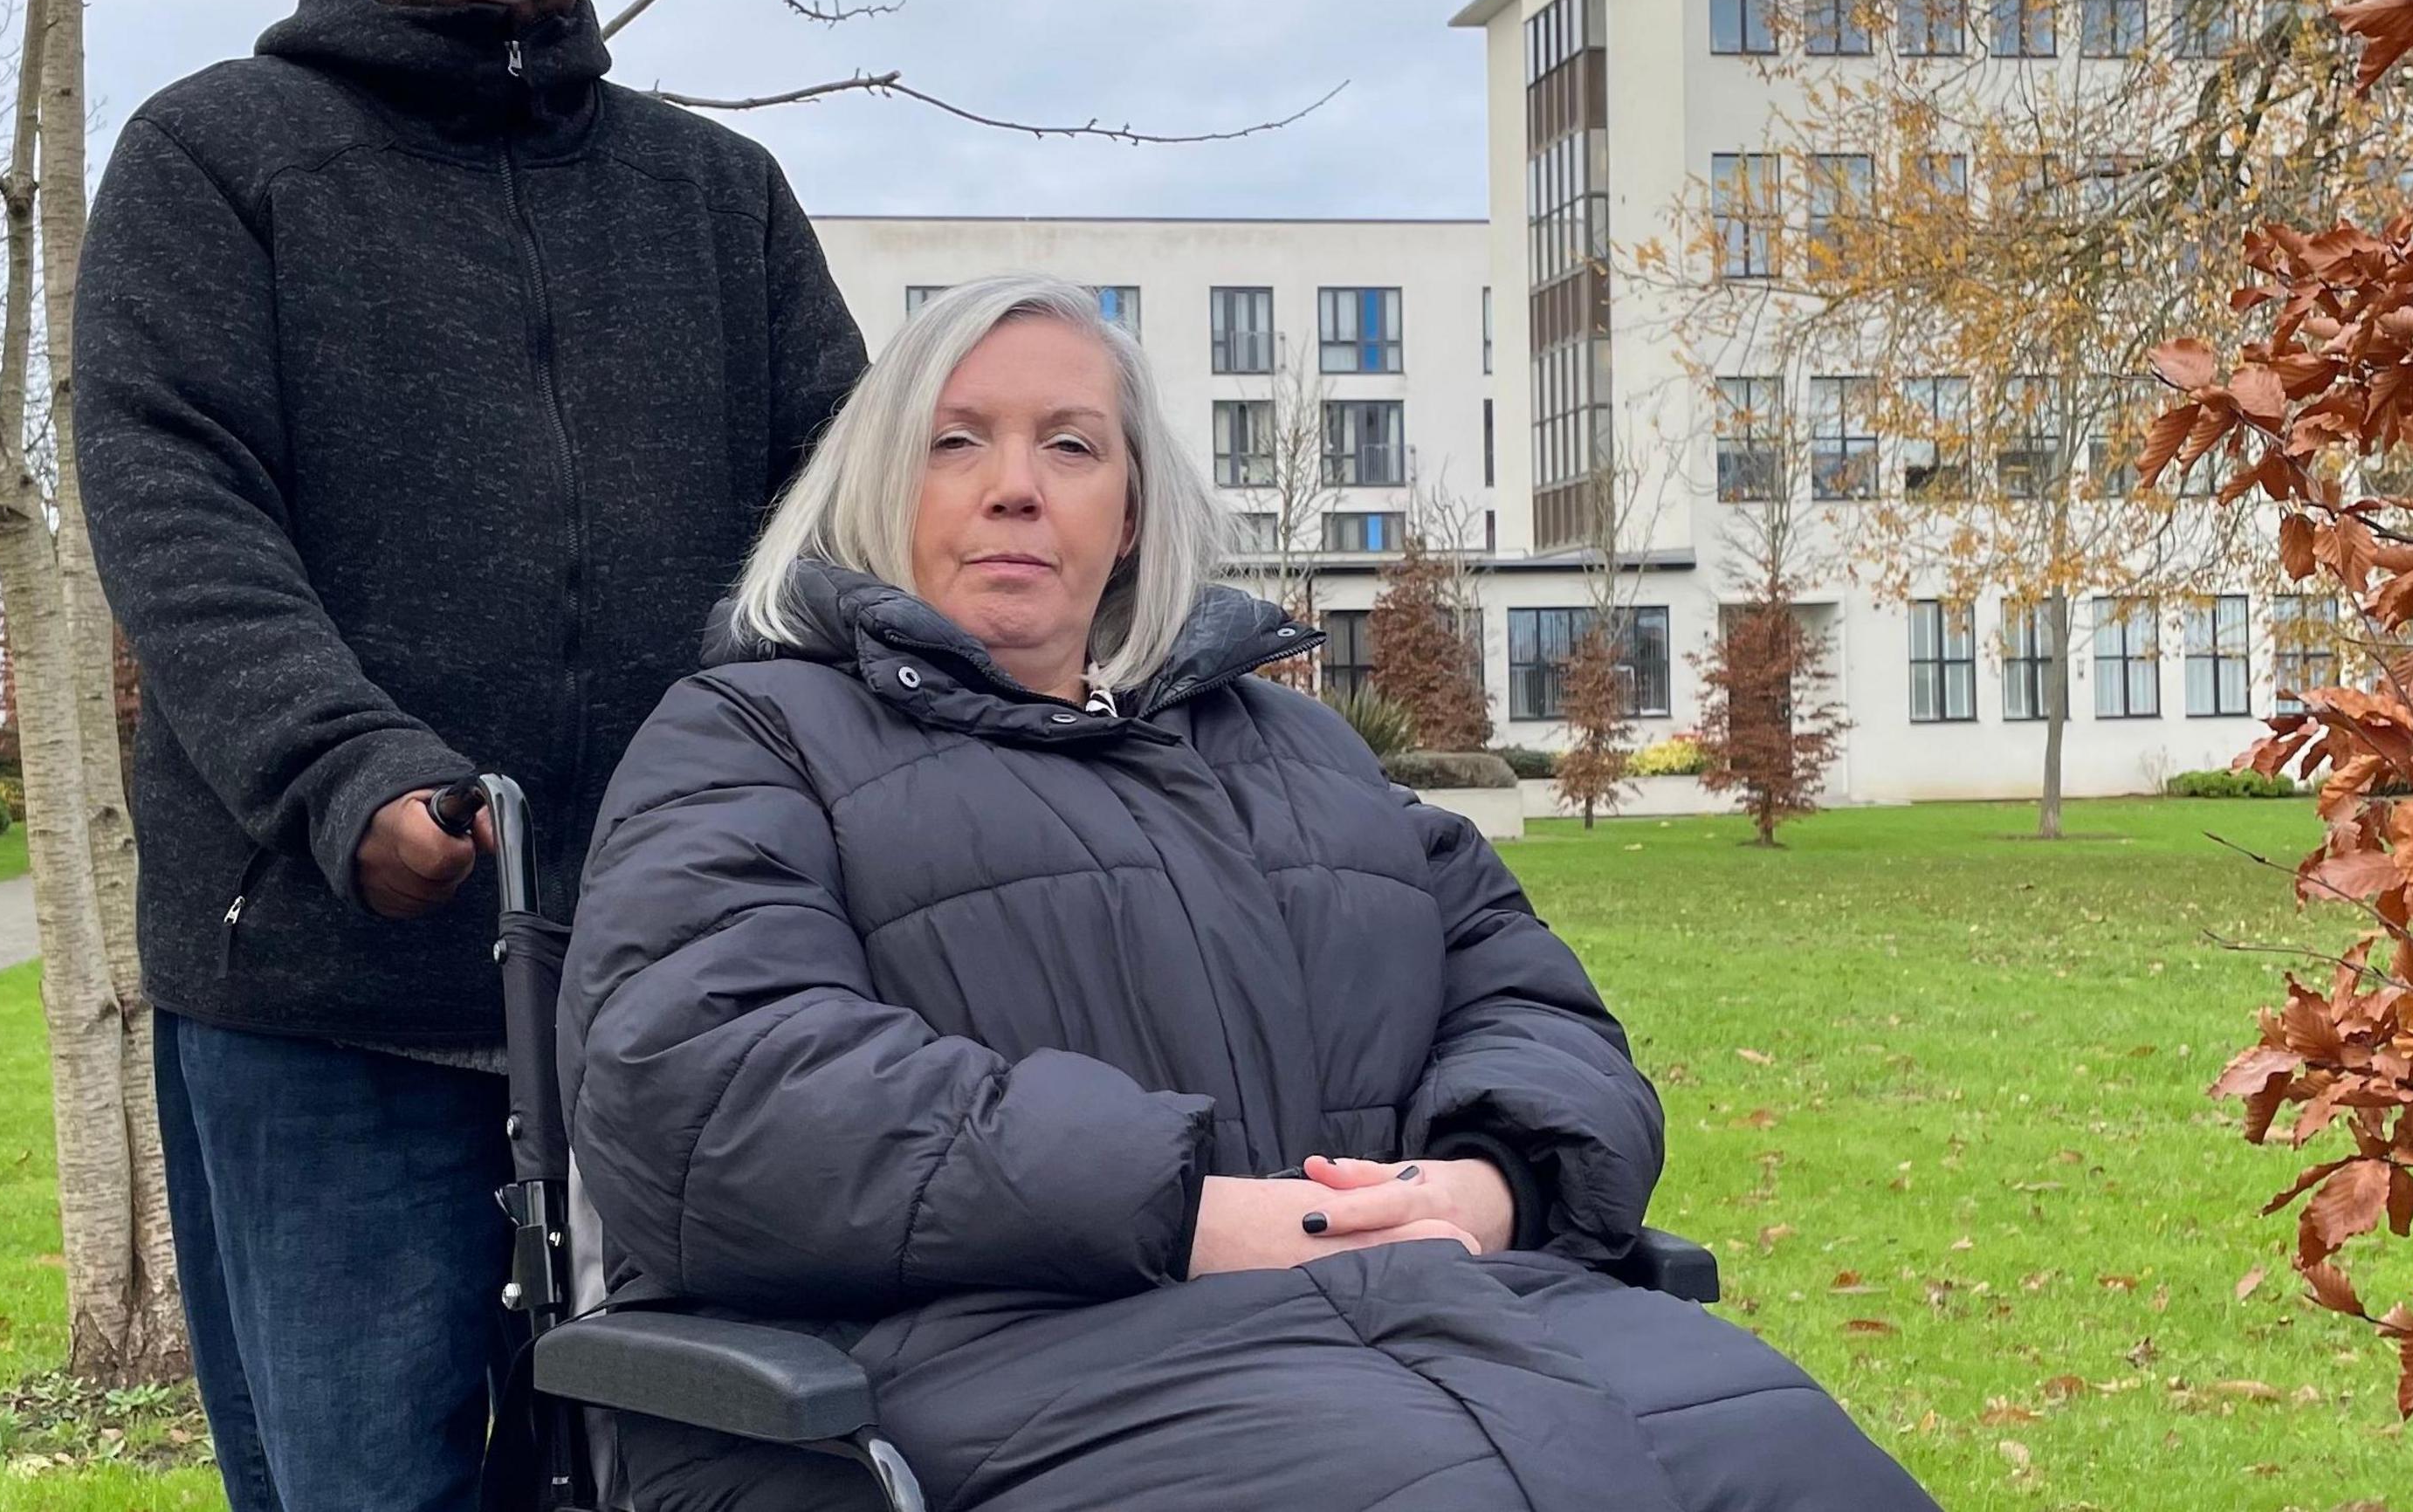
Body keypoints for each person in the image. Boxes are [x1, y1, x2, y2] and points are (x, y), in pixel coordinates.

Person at [558, 277, 1941, 1511]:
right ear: (875, 482)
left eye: (1072, 445)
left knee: (1801, 1471)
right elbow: (706, 1086)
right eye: (956, 439)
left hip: (1451, 1311)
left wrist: (1488, 1182)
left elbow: (1526, 998)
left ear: (1132, 507)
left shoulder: (1298, 747)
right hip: (980, 1369)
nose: (1017, 486)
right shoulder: (752, 736)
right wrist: (1192, 1212)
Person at [73, 0, 866, 1512]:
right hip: (329, 994)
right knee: (372, 1483)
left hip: (671, 998)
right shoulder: (214, 161)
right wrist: (345, 769)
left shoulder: (718, 200)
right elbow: (176, 502)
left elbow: (847, 518)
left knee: (682, 1463)